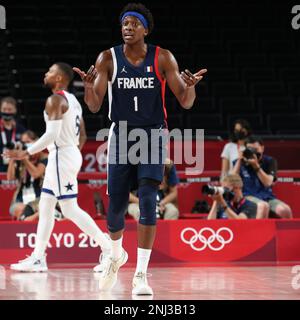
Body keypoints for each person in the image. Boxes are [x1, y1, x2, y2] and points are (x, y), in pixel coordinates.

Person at [73, 3, 207, 295]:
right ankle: (117, 254)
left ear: (146, 28)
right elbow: (95, 105)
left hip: (153, 135)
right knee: (116, 210)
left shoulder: (163, 58)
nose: (128, 27)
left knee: (148, 200)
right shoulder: (108, 58)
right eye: (124, 23)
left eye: (134, 23)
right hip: (121, 135)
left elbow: (185, 101)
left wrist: (192, 86)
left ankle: (141, 275)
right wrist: (87, 87)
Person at [3, 62, 111, 272]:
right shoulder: (73, 101)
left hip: (61, 154)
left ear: (59, 78)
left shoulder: (55, 99)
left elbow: (51, 135)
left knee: (70, 209)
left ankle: (109, 249)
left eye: (50, 71)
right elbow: (83, 135)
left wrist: (26, 152)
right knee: (45, 207)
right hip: (64, 154)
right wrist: (71, 154)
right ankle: (38, 258)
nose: (46, 74)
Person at [232, 136, 292, 219]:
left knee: (285, 210)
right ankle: (259, 232)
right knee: (263, 206)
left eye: (255, 149)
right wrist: (239, 159)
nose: (253, 152)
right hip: (247, 196)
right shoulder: (239, 162)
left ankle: (287, 232)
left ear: (262, 148)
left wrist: (256, 166)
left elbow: (268, 183)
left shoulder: (270, 161)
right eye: (250, 149)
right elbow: (231, 181)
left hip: (267, 197)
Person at [7, 130, 47, 221]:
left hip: (40, 198)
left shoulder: (44, 158)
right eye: (23, 143)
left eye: (28, 142)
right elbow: (10, 177)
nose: (25, 145)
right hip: (21, 199)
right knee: (19, 209)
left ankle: (27, 219)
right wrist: (13, 159)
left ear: (36, 142)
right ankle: (31, 218)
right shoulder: (21, 158)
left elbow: (36, 174)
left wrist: (24, 159)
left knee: (33, 209)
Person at [0, 96, 26, 172]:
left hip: (16, 169)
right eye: (4, 109)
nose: (7, 112)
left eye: (9, 109)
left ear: (15, 110)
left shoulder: (21, 129)